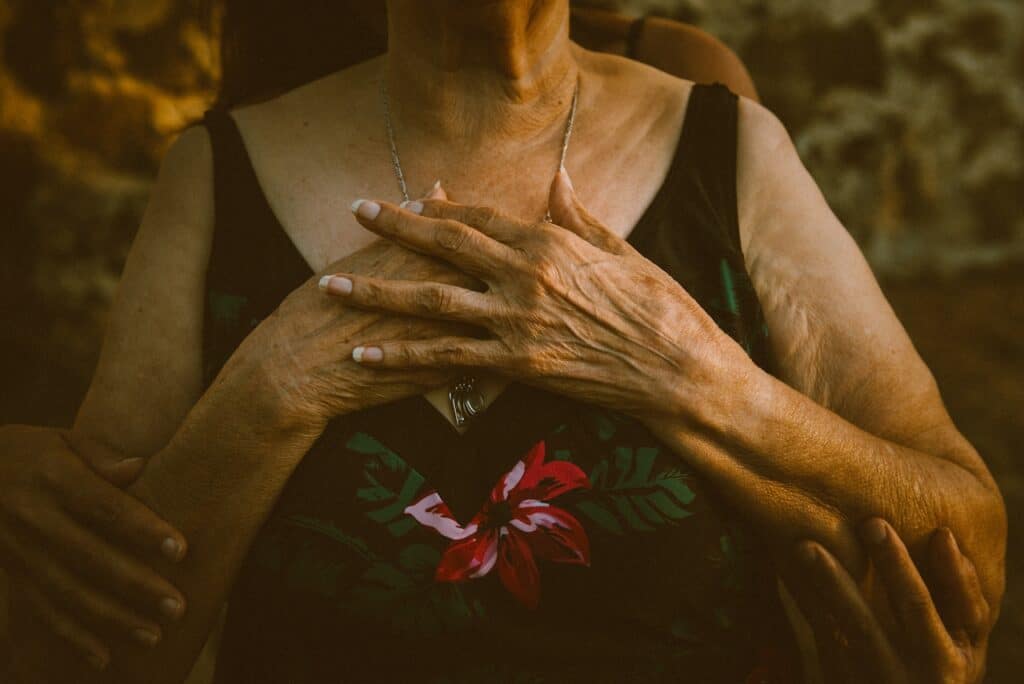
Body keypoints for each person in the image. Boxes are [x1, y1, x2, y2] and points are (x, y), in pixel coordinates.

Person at [1, 1, 1005, 682]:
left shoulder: (727, 146)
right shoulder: (214, 172)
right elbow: (89, 648)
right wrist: (275, 386)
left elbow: (966, 548)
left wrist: (688, 373)